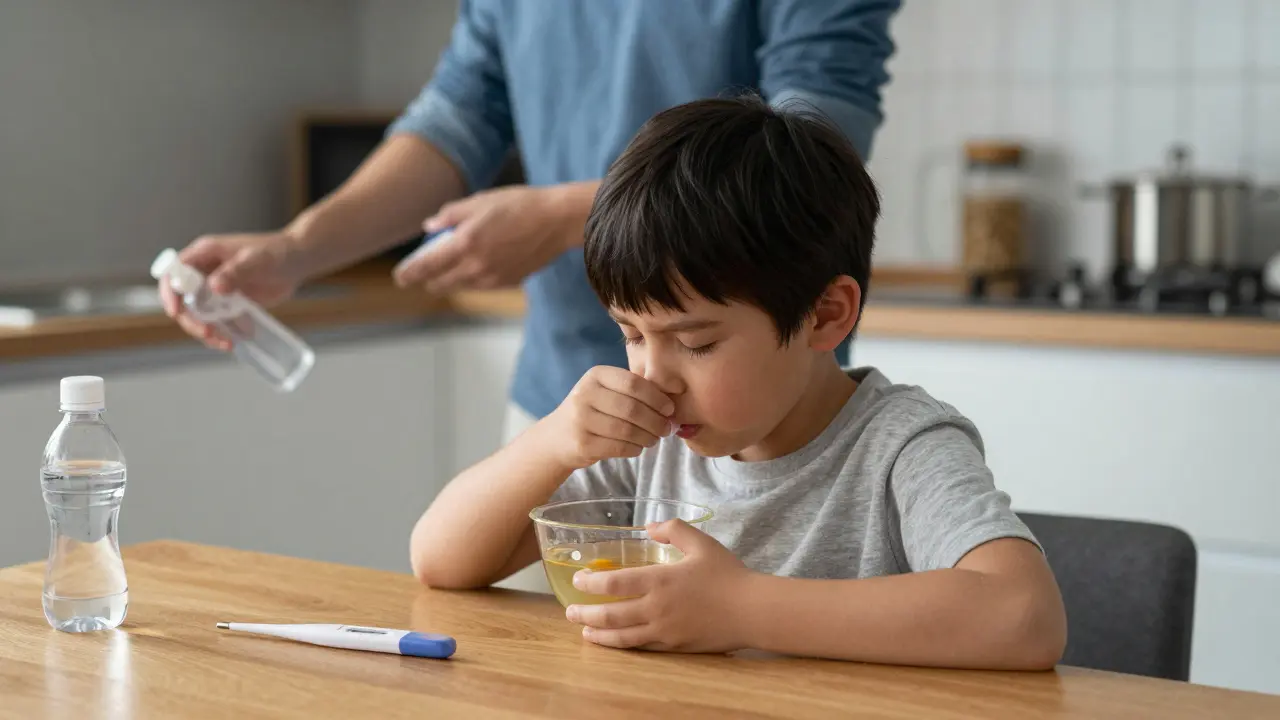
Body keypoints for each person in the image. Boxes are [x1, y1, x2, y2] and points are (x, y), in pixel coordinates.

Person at [410, 96, 1068, 669]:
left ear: (826, 315)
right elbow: (440, 560)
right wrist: (553, 441)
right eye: (632, 334)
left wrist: (741, 607)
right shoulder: (652, 445)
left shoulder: (902, 446)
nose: (651, 374)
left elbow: (1024, 616)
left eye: (696, 342)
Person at [158, 0, 900, 448]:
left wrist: (559, 216)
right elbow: (458, 116)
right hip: (563, 396)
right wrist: (296, 250)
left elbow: (813, 142)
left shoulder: (898, 455)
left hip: (757, 421)